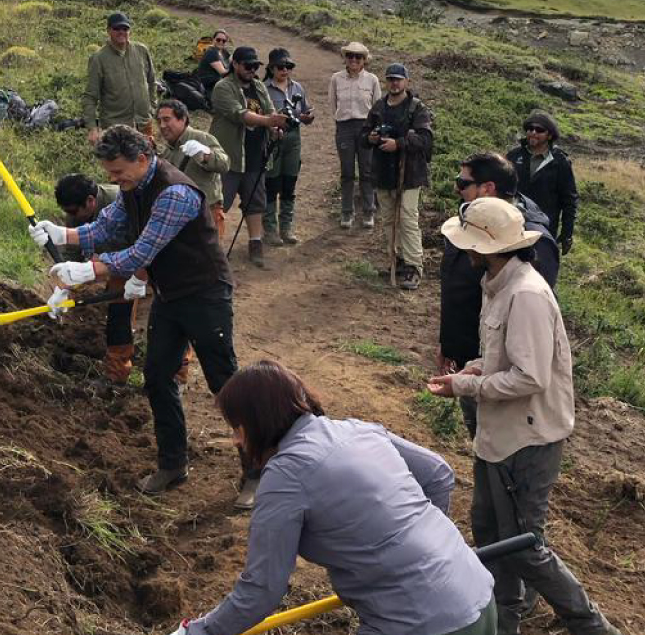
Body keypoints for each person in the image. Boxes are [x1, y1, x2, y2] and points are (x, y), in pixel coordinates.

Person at [27, 127, 259, 507]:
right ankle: (173, 463)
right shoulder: (132, 189)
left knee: (224, 384)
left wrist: (90, 271)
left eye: (118, 172)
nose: (114, 180)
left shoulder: (175, 194)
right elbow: (105, 227)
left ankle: (255, 472)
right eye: (110, 174)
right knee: (156, 377)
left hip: (205, 294)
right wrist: (61, 234)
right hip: (170, 295)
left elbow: (140, 251)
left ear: (142, 158)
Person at [177, 361, 498, 635]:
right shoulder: (357, 430)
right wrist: (430, 548)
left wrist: (199, 630)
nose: (235, 440)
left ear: (257, 422)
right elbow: (439, 473)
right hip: (478, 597)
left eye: (237, 427)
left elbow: (261, 590)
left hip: (421, 623)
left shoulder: (285, 475)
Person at [427, 198, 619, 635]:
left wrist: (467, 386)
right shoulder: (496, 285)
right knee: (492, 539)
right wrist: (475, 368)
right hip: (500, 434)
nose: (464, 252)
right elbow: (505, 359)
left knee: (523, 546)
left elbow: (529, 377)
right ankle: (502, 624)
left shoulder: (526, 294)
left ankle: (591, 625)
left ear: (488, 248)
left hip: (527, 441)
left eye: (469, 244)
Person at [440, 152, 560, 440]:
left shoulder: (531, 242)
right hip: (472, 362)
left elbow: (527, 322)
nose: (457, 189)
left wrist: (483, 370)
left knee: (503, 442)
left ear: (488, 189)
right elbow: (455, 287)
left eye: (463, 183)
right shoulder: (473, 224)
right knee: (483, 439)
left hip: (505, 376)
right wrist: (448, 344)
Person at [54, 173, 138, 383]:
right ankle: (116, 376)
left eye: (73, 211)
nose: (71, 216)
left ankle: (176, 377)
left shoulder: (123, 200)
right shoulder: (76, 210)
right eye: (67, 212)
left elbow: (139, 243)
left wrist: (101, 263)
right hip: (116, 263)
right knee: (118, 316)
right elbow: (72, 251)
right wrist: (64, 286)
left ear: (91, 201)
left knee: (167, 317)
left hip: (147, 258)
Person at [209, 46, 288, 269]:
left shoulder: (260, 87)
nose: (252, 69)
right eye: (248, 65)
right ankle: (213, 248)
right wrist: (269, 121)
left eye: (255, 66)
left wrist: (275, 130)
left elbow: (268, 111)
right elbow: (240, 114)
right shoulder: (223, 87)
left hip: (255, 155)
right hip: (229, 156)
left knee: (256, 202)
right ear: (235, 64)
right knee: (219, 203)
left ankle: (255, 243)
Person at [361, 63, 432, 291]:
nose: (394, 83)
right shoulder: (379, 107)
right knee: (390, 220)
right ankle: (396, 260)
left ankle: (413, 266)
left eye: (398, 79)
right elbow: (364, 134)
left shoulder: (416, 108)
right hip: (383, 173)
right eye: (391, 79)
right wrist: (371, 138)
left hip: (409, 174)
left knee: (408, 219)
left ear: (406, 82)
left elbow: (425, 140)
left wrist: (398, 144)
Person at [155, 99, 231, 239]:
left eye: (167, 119)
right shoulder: (168, 148)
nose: (162, 126)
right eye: (159, 121)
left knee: (209, 257)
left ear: (183, 119)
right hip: (179, 214)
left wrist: (206, 154)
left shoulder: (201, 138)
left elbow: (224, 164)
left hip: (205, 212)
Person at [262, 48, 314, 247]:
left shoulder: (297, 88)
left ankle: (286, 227)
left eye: (289, 67)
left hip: (293, 139)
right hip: (273, 139)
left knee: (289, 183)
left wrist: (308, 117)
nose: (285, 70)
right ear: (271, 68)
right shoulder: (264, 89)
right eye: (281, 67)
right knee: (271, 184)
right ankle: (270, 229)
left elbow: (305, 113)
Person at [506, 111, 577, 255]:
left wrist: (567, 233)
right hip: (512, 224)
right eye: (530, 128)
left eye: (539, 130)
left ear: (549, 135)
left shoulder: (560, 162)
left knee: (538, 270)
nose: (533, 132)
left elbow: (569, 200)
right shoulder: (513, 156)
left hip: (543, 229)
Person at [82, 11, 158, 145]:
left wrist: (152, 107)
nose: (121, 32)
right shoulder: (98, 59)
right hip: (116, 127)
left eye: (125, 28)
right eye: (117, 28)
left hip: (144, 123)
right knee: (120, 164)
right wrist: (92, 128)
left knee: (145, 162)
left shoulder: (141, 51)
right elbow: (90, 96)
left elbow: (152, 81)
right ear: (108, 30)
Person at [328, 41, 381, 230]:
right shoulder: (336, 79)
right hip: (344, 128)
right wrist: (341, 123)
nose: (353, 60)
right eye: (350, 55)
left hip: (365, 127)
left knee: (367, 171)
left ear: (365, 60)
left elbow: (377, 107)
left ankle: (368, 211)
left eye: (358, 57)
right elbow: (333, 104)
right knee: (347, 172)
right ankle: (346, 212)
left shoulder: (372, 80)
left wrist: (374, 130)